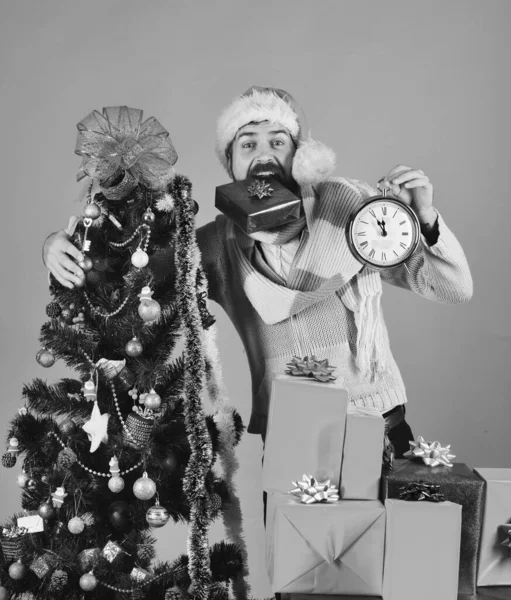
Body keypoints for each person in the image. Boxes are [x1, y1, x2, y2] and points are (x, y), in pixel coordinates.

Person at [43, 86, 473, 471]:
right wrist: (61, 246)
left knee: (389, 559)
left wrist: (427, 219)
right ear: (230, 164)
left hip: (378, 428)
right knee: (302, 562)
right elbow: (130, 283)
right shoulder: (214, 246)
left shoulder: (352, 212)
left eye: (278, 141)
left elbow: (453, 288)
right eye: (247, 143)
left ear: (300, 155)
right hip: (293, 439)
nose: (264, 153)